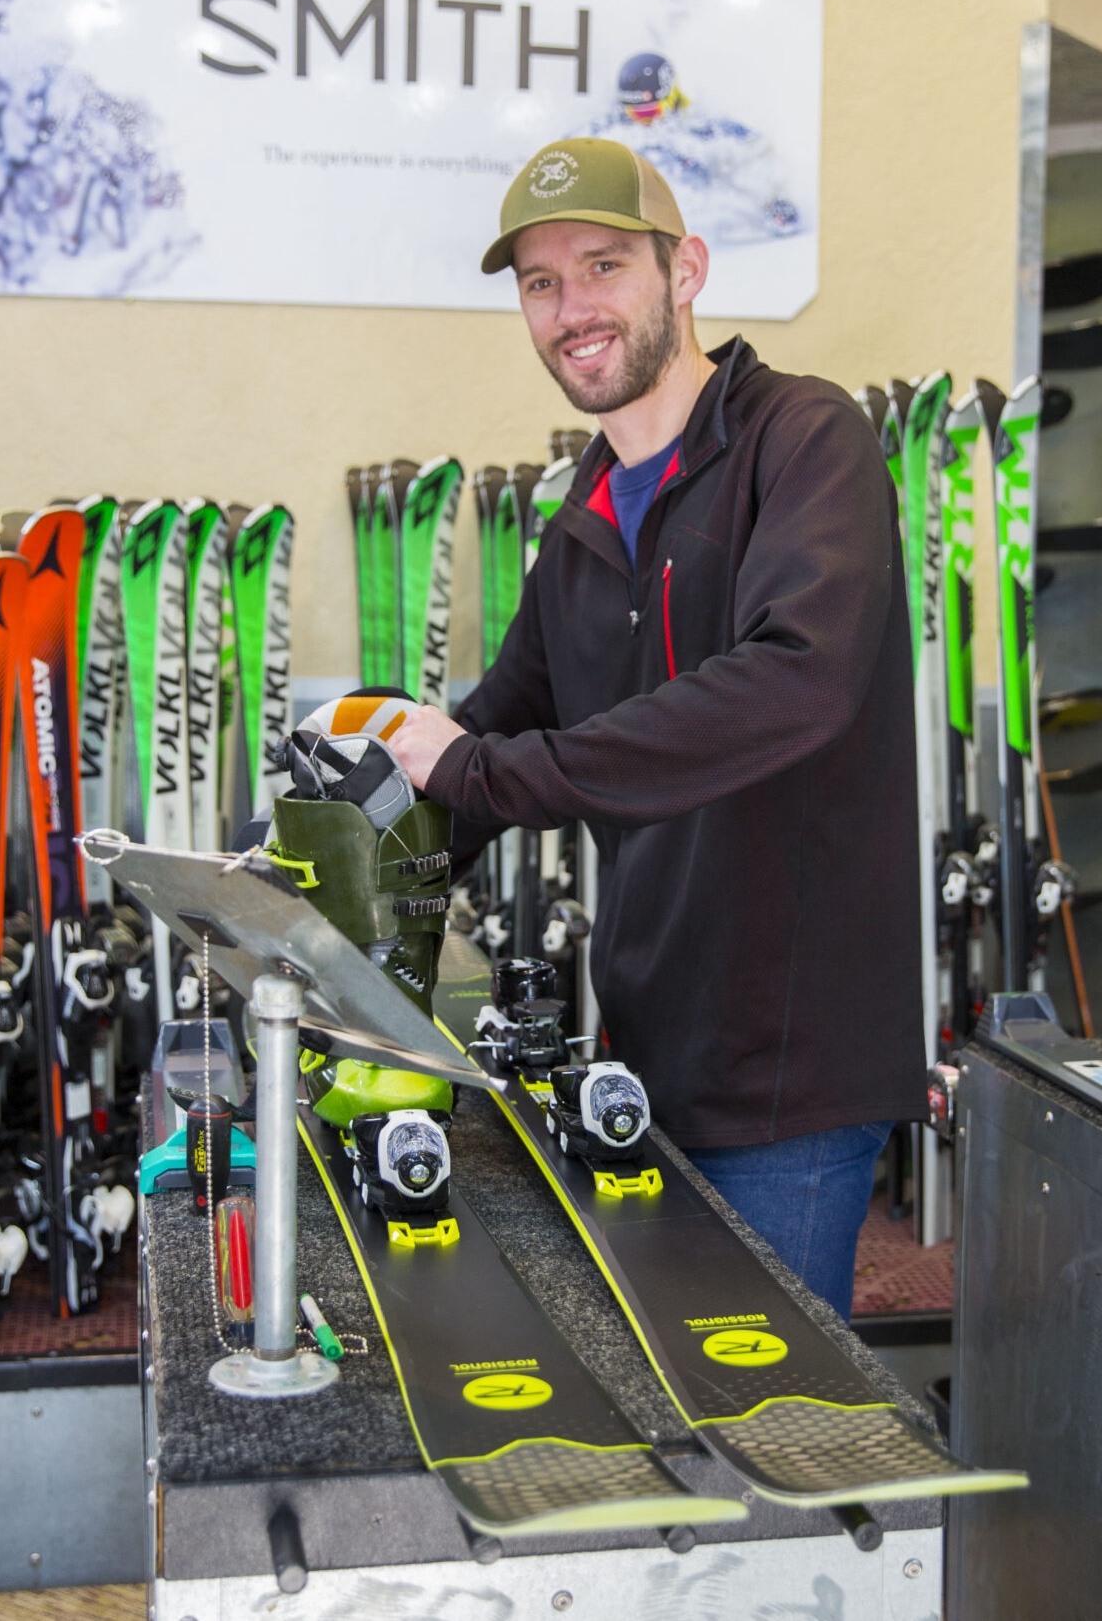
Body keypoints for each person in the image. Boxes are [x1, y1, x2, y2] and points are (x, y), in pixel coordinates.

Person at [385, 137, 922, 1318]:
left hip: (790, 1067)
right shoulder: (584, 511)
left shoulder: (803, 440)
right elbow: (492, 736)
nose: (571, 308)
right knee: (670, 1399)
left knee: (771, 1430)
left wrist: (488, 766)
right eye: (539, 283)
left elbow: (797, 684)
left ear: (685, 270)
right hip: (643, 1044)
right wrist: (342, 862)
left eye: (602, 266)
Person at [577, 52, 802, 246]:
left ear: (672, 97)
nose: (644, 122)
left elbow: (757, 152)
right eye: (634, 113)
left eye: (650, 113)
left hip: (697, 221)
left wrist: (775, 200)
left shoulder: (701, 126)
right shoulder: (610, 128)